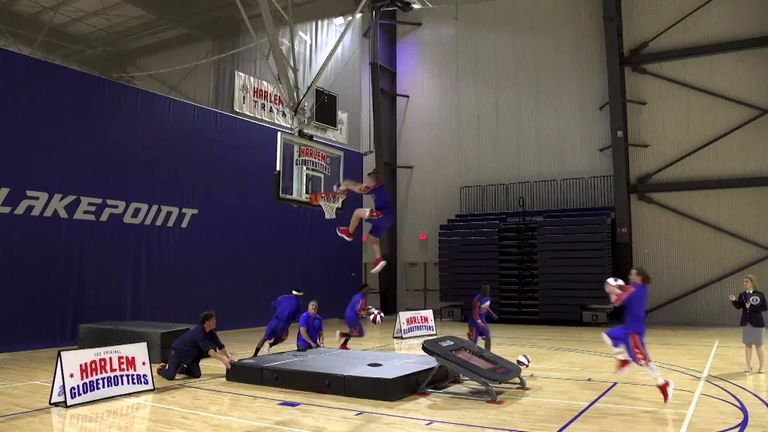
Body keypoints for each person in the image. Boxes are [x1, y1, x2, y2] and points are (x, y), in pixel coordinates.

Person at [602, 268, 674, 404]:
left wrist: (614, 291)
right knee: (607, 336)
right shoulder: (633, 288)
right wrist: (614, 291)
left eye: (633, 274)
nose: (630, 275)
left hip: (634, 332)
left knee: (644, 362)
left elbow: (621, 296)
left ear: (639, 277)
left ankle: (663, 384)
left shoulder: (639, 289)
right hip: (627, 329)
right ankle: (623, 359)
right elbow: (618, 300)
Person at [335, 170, 393, 274]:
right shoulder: (380, 188)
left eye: (368, 180)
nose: (367, 182)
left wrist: (346, 185)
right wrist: (347, 182)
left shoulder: (376, 187)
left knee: (357, 212)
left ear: (372, 180)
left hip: (382, 216)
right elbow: (361, 186)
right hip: (388, 220)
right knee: (373, 238)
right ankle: (379, 259)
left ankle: (349, 233)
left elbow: (361, 189)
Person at [156, 311, 233, 380]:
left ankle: (180, 369)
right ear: (206, 322)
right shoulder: (199, 332)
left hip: (191, 356)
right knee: (170, 376)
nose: (215, 321)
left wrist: (228, 356)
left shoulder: (211, 332)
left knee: (196, 374)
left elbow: (220, 345)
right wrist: (223, 359)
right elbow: (209, 351)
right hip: (178, 352)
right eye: (213, 320)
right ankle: (160, 370)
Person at [729, 275, 766, 373]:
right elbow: (739, 306)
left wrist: (752, 307)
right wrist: (734, 301)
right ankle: (748, 366)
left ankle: (762, 366)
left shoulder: (760, 294)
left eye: (746, 282)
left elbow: (764, 308)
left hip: (757, 323)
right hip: (746, 323)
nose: (744, 283)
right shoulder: (742, 295)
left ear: (752, 283)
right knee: (748, 345)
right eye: (744, 281)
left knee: (759, 345)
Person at [252, 289, 303, 357]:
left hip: (274, 322)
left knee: (264, 338)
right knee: (283, 338)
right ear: (300, 296)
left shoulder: (282, 297)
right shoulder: (298, 304)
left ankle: (254, 355)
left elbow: (274, 305)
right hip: (284, 324)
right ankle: (270, 345)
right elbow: (293, 317)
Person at [336, 284, 371, 350]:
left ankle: (343, 345)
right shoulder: (360, 297)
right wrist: (369, 314)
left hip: (348, 316)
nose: (369, 291)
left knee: (352, 331)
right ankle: (341, 334)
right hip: (352, 318)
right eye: (368, 289)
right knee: (360, 333)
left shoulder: (357, 295)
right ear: (364, 289)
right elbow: (358, 309)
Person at [468, 282, 498, 351]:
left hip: (483, 320)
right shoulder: (477, 300)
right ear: (482, 290)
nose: (488, 291)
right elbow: (475, 313)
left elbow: (486, 306)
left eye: (488, 289)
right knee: (474, 341)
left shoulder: (488, 298)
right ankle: (471, 354)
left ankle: (488, 353)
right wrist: (480, 323)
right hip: (474, 322)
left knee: (488, 337)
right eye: (486, 289)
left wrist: (492, 314)